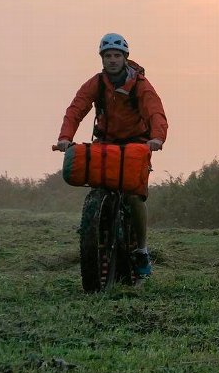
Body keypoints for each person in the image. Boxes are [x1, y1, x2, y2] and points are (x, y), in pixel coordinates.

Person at [53, 32, 168, 277]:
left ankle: (141, 250)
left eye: (117, 55)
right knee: (99, 183)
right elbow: (76, 108)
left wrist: (157, 138)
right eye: (108, 56)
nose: (113, 60)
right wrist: (65, 137)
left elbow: (155, 111)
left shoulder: (140, 84)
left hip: (136, 144)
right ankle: (95, 229)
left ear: (125, 57)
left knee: (135, 196)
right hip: (106, 142)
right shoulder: (96, 83)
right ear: (102, 59)